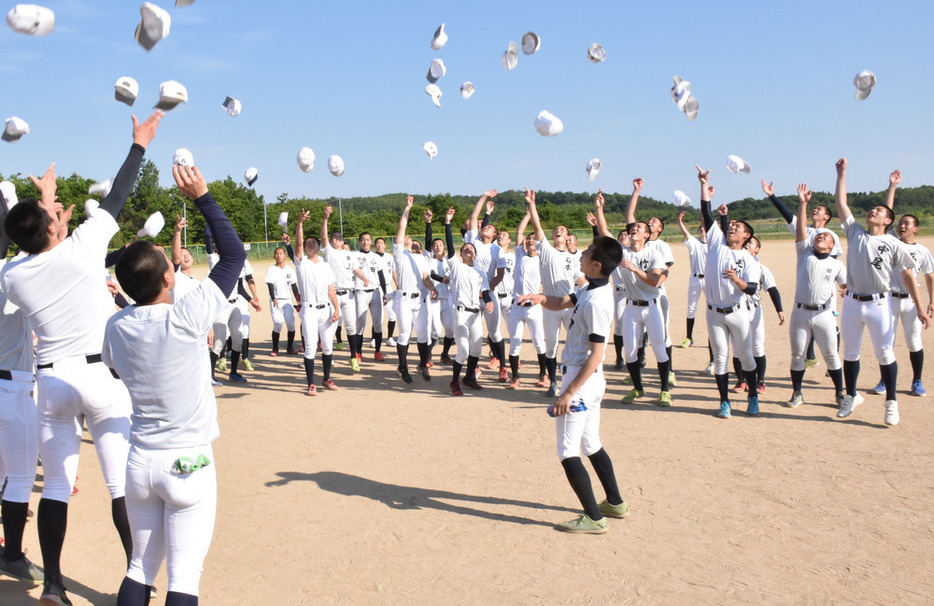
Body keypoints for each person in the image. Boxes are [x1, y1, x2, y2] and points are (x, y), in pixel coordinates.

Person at [1, 110, 163, 605]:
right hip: (99, 377)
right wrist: (139, 144)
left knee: (55, 490)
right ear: (53, 227)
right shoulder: (84, 246)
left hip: (50, 383)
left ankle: (52, 583)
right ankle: (137, 576)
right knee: (120, 488)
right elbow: (116, 196)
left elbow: (36, 246)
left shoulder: (15, 276)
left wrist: (44, 205)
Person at [102, 164, 245, 606]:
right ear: (169, 278)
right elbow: (234, 256)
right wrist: (203, 196)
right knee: (184, 580)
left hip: (140, 461)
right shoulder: (186, 316)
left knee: (140, 568)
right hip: (188, 462)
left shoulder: (115, 326)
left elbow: (113, 369)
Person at [516, 235, 627, 534]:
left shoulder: (597, 303)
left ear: (596, 264)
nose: (582, 254)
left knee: (567, 450)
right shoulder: (591, 286)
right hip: (587, 379)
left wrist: (568, 392)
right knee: (591, 444)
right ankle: (614, 502)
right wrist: (540, 298)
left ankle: (593, 518)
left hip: (582, 377)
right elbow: (564, 301)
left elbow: (596, 356)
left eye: (588, 252)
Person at [833, 158, 928, 425]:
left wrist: (920, 307)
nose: (873, 211)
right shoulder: (855, 233)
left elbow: (908, 275)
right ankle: (851, 395)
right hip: (852, 302)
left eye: (878, 210)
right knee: (850, 353)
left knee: (885, 353)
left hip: (878, 304)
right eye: (872, 209)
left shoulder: (894, 243)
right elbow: (841, 203)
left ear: (888, 220)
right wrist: (841, 174)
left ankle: (891, 403)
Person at [593, 190, 672, 405]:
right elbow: (604, 231)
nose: (634, 229)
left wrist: (636, 270)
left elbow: (655, 281)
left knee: (659, 349)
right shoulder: (623, 252)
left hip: (652, 307)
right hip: (631, 308)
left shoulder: (654, 253)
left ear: (647, 235)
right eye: (633, 227)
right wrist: (600, 208)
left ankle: (665, 390)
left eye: (640, 228)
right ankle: (638, 389)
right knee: (630, 354)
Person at [696, 165, 762, 418]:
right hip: (713, 312)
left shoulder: (747, 258)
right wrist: (704, 184)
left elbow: (753, 288)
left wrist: (737, 280)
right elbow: (705, 211)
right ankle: (724, 402)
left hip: (737, 312)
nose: (732, 227)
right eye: (731, 225)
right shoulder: (716, 243)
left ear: (747, 236)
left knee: (745, 357)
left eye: (738, 227)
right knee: (721, 358)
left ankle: (753, 396)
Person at [0, 196, 43, 583]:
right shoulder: (13, 272)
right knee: (19, 479)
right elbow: (40, 249)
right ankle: (11, 555)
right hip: (11, 390)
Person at [866, 170, 934, 397]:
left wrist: (931, 302)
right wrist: (892, 186)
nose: (902, 226)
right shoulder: (891, 240)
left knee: (914, 342)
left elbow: (929, 277)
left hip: (911, 303)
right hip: (889, 300)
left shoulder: (922, 251)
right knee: (887, 342)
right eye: (900, 223)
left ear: (916, 228)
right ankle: (884, 381)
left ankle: (917, 381)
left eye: (907, 224)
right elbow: (888, 211)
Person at [761, 178, 843, 368]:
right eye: (815, 208)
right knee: (807, 316)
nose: (816, 210)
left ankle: (832, 358)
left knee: (828, 319)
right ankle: (811, 355)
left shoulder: (831, 236)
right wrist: (772, 196)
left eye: (820, 210)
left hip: (825, 284)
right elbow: (787, 215)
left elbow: (834, 263)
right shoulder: (803, 230)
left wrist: (832, 284)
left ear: (827, 217)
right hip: (807, 281)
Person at [785, 183, 847, 409]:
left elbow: (846, 284)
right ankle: (797, 393)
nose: (819, 236)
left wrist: (845, 288)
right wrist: (803, 204)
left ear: (833, 244)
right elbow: (801, 228)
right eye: (817, 235)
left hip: (824, 314)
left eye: (825, 236)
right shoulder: (804, 253)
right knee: (797, 355)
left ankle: (840, 393)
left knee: (832, 356)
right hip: (800, 313)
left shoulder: (837, 264)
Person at [527, 188, 580, 396]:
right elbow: (537, 227)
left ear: (568, 237)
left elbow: (580, 278)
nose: (559, 230)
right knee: (551, 346)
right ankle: (553, 383)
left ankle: (573, 380)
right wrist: (532, 205)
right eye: (556, 229)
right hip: (549, 305)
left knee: (575, 342)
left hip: (568, 305)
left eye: (563, 229)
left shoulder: (574, 257)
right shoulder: (546, 250)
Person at [625, 178, 677, 386]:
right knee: (635, 341)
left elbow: (663, 274)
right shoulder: (632, 242)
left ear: (655, 230)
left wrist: (650, 277)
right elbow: (629, 214)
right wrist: (636, 191)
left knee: (662, 338)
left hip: (657, 295)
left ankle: (668, 373)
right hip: (634, 298)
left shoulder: (661, 247)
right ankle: (638, 375)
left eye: (654, 221)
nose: (650, 221)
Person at [444, 207, 494, 395]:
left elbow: (485, 291)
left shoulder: (479, 272)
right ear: (461, 252)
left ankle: (469, 377)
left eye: (471, 248)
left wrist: (488, 301)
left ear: (475, 254)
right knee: (463, 351)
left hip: (475, 314)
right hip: (460, 312)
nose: (468, 248)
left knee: (476, 350)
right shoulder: (456, 266)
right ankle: (455, 382)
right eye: (465, 247)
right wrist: (448, 223)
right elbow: (450, 246)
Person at [730, 236, 784, 393]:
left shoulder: (761, 268)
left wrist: (779, 310)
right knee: (737, 348)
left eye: (751, 243)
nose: (747, 245)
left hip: (754, 310)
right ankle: (741, 380)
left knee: (757, 346)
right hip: (737, 309)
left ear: (757, 249)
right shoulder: (735, 266)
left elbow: (772, 289)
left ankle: (760, 380)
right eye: (745, 243)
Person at [295, 210, 341, 395]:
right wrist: (299, 223)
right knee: (311, 347)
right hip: (309, 310)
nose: (311, 244)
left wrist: (336, 309)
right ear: (305, 248)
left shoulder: (325, 264)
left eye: (314, 242)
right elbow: (298, 243)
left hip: (326, 310)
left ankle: (327, 378)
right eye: (308, 243)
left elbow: (331, 289)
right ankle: (311, 383)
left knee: (328, 346)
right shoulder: (301, 263)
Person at [463, 190, 507, 377]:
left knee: (495, 332)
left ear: (495, 235)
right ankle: (473, 367)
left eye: (489, 228)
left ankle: (503, 366)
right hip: (471, 295)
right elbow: (474, 217)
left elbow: (500, 275)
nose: (484, 228)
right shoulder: (474, 242)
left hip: (489, 295)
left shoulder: (497, 250)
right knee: (473, 332)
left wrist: (487, 290)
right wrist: (484, 196)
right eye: (484, 227)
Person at [506, 208, 547, 389]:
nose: (530, 241)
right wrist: (528, 214)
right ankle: (515, 376)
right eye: (528, 240)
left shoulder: (542, 260)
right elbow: (519, 232)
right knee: (515, 341)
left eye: (533, 239)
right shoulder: (520, 254)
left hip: (533, 307)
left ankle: (543, 374)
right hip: (516, 305)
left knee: (539, 342)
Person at [393, 196, 432, 383]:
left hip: (421, 300)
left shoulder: (421, 258)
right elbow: (401, 229)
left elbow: (426, 278)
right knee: (405, 334)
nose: (408, 237)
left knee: (424, 334)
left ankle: (423, 365)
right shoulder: (400, 255)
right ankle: (402, 367)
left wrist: (433, 289)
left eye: (410, 237)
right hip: (404, 299)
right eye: (407, 237)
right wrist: (407, 208)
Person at [320, 207, 359, 368]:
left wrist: (363, 278)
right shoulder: (328, 251)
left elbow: (356, 269)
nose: (337, 238)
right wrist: (325, 218)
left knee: (351, 326)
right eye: (334, 237)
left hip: (349, 295)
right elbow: (323, 236)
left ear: (343, 242)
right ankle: (330, 355)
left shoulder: (349, 254)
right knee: (331, 325)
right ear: (331, 240)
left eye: (340, 237)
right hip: (333, 294)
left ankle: (353, 356)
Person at [424, 211, 456, 365]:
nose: (437, 247)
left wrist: (447, 222)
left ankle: (444, 354)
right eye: (435, 245)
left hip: (447, 299)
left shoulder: (450, 261)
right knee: (436, 330)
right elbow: (430, 273)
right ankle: (428, 356)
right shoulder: (428, 259)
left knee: (451, 330)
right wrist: (428, 223)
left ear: (444, 248)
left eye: (440, 245)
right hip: (434, 300)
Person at [676, 210, 707, 350]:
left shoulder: (715, 244)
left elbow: (707, 223)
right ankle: (689, 337)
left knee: (714, 307)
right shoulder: (694, 243)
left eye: (704, 227)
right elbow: (685, 233)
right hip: (695, 278)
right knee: (691, 308)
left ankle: (715, 338)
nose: (702, 229)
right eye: (700, 228)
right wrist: (680, 221)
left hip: (709, 280)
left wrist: (703, 214)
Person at [264, 245, 299, 356]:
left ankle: (290, 347)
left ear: (285, 256)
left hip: (287, 300)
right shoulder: (271, 270)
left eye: (281, 253)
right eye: (277, 253)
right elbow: (270, 285)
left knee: (291, 325)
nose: (279, 255)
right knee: (278, 324)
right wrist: (273, 297)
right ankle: (275, 348)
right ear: (274, 256)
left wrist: (298, 299)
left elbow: (294, 286)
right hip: (276, 300)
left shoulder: (290, 270)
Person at [170, 215, 199, 303]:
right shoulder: (176, 275)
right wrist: (178, 231)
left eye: (188, 254)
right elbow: (176, 256)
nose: (186, 256)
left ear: (193, 259)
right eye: (182, 254)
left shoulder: (197, 283)